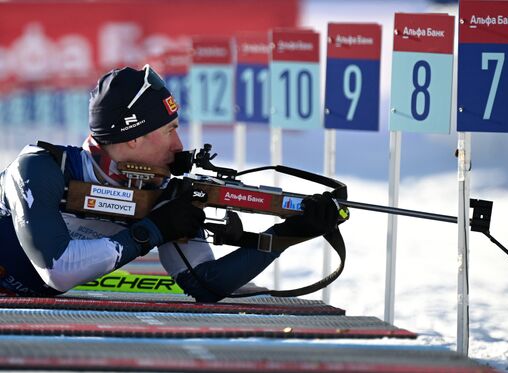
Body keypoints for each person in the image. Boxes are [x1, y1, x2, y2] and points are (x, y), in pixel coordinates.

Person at [0, 65, 341, 302]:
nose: (179, 145)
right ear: (133, 137)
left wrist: (286, 234)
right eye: (169, 130)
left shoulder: (161, 190)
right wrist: (150, 231)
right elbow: (58, 270)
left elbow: (205, 284)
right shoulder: (38, 169)